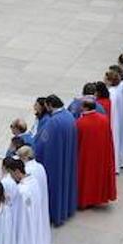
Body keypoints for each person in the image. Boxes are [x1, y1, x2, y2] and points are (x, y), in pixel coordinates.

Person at [33, 96, 77, 226]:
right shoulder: (69, 116)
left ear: (50, 105)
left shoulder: (53, 122)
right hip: (66, 156)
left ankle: (54, 214)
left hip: (54, 161)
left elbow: (42, 143)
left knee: (54, 186)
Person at [74, 99, 116, 209]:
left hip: (85, 156)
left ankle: (85, 200)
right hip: (100, 154)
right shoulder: (104, 119)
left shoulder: (80, 123)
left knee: (86, 178)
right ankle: (97, 198)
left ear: (86, 108)